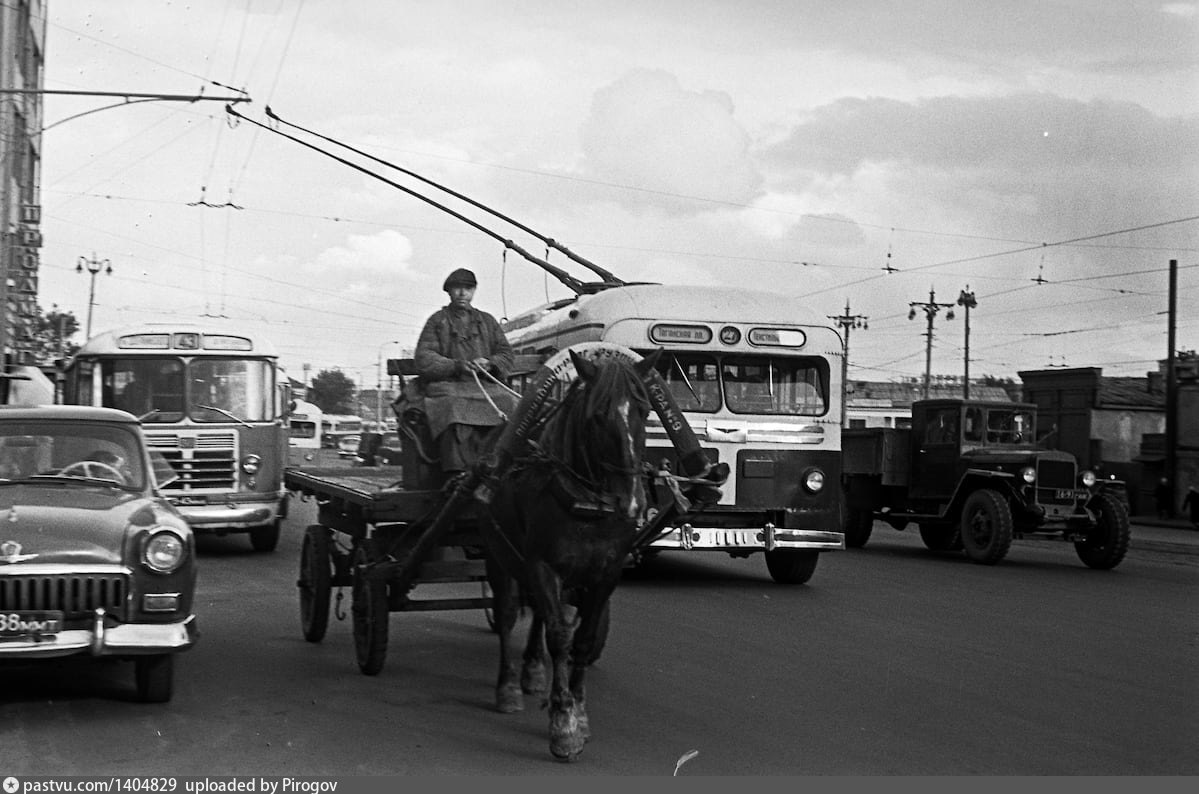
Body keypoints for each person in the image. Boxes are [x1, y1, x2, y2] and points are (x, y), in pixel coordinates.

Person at [413, 268, 517, 479]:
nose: (462, 293)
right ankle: (457, 472)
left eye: (467, 289)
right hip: (447, 386)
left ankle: (503, 467)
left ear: (474, 291)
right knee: (453, 407)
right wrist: (457, 365)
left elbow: (506, 353)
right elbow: (424, 357)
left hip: (485, 387)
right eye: (457, 289)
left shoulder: (487, 321)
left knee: (508, 403)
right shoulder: (437, 321)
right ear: (449, 292)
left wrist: (490, 363)